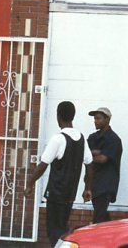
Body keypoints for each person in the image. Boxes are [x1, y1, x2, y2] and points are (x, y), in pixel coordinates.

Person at [26, 101, 93, 244]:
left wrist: (30, 184)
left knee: (54, 231)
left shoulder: (58, 139)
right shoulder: (82, 139)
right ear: (73, 116)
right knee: (62, 228)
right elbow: (89, 165)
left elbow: (42, 165)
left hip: (56, 194)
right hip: (70, 194)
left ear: (58, 116)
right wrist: (87, 188)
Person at [82, 107, 123, 223]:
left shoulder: (114, 139)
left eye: (98, 118)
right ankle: (110, 231)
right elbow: (84, 153)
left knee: (99, 216)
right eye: (94, 118)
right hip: (93, 182)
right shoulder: (93, 137)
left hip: (106, 185)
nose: (95, 121)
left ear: (107, 119)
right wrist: (96, 152)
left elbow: (102, 159)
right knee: (101, 215)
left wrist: (92, 154)